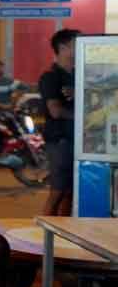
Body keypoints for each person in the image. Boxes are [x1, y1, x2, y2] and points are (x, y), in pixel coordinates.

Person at [40, 29, 80, 216]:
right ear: (63, 48)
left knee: (70, 192)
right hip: (60, 141)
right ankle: (43, 230)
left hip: (75, 140)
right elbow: (55, 111)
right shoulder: (51, 77)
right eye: (76, 44)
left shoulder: (78, 74)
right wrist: (83, 117)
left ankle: (61, 229)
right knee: (57, 191)